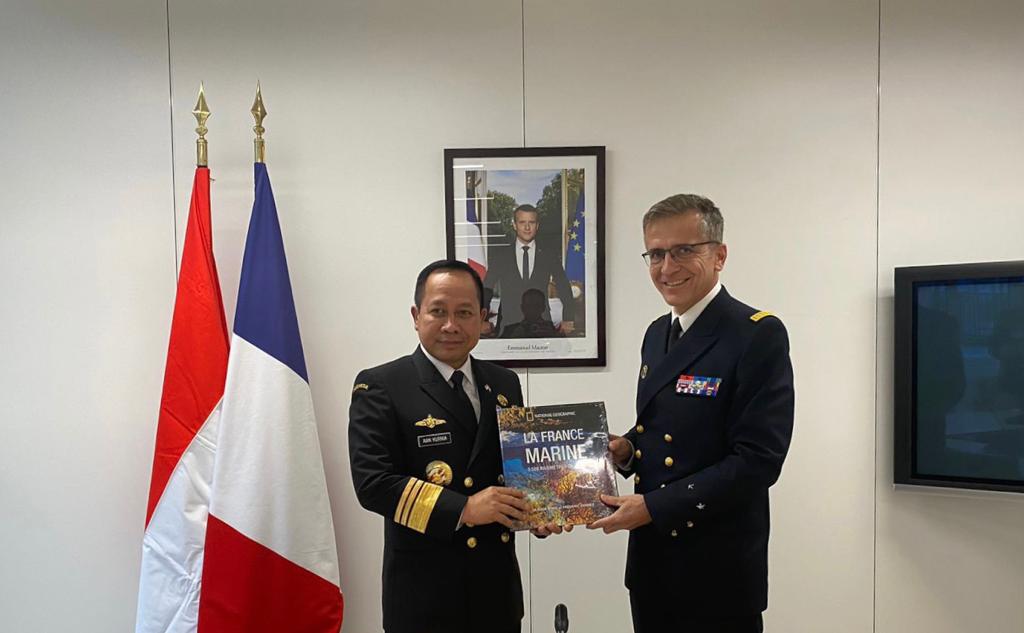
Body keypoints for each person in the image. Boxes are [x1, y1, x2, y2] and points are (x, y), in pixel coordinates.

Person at [588, 194, 795, 633]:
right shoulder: (657, 333)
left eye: (684, 250)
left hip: (716, 570)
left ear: (719, 255)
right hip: (653, 564)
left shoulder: (756, 334)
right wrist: (627, 450)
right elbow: (665, 428)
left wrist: (654, 506)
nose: (667, 267)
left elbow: (759, 460)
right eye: (656, 254)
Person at [348, 259, 566, 633]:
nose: (451, 325)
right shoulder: (382, 385)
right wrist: (464, 509)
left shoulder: (504, 383)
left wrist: (539, 509)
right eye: (438, 311)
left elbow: (515, 471)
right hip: (425, 597)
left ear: (482, 318)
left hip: (496, 594)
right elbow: (374, 484)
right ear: (416, 316)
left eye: (464, 313)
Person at [484, 204, 576, 335]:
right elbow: (487, 287)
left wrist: (568, 318)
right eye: (522, 222)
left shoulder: (549, 255)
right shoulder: (501, 256)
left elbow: (563, 285)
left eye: (531, 223)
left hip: (542, 326)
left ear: (537, 226)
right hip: (507, 327)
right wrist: (482, 319)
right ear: (514, 225)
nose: (527, 227)